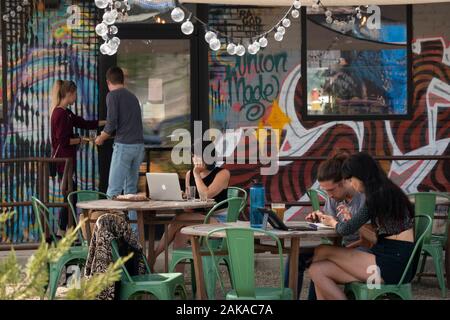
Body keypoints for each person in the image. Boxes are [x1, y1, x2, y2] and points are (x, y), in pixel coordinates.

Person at [309, 152, 415, 300]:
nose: (351, 184)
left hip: (391, 267)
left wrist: (332, 221)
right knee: (317, 270)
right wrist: (351, 221)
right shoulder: (387, 191)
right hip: (384, 259)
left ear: (361, 175)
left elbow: (345, 229)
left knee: (321, 250)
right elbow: (376, 237)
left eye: (351, 179)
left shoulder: (378, 195)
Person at [284, 151, 367, 299]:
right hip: (341, 247)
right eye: (325, 190)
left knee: (320, 258)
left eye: (331, 190)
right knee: (296, 256)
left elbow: (369, 239)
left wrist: (335, 249)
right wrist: (320, 219)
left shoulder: (363, 196)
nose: (329, 195)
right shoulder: (334, 197)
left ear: (345, 181)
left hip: (361, 250)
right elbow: (333, 226)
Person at [153, 140, 230, 270]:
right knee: (180, 233)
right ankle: (178, 282)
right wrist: (182, 197)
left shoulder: (222, 173)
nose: (193, 158)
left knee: (179, 219)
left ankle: (153, 256)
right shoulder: (189, 174)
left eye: (195, 155)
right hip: (198, 218)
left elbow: (205, 195)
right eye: (192, 155)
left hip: (219, 222)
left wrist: (196, 173)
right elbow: (189, 208)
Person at [50, 80, 105, 234]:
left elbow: (84, 123)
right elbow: (62, 140)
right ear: (69, 94)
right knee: (70, 196)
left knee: (69, 196)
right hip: (63, 162)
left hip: (68, 161)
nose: (76, 98)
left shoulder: (67, 113)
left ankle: (65, 232)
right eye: (75, 95)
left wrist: (106, 122)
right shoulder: (59, 113)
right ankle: (68, 232)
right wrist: (80, 140)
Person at [95, 67, 144, 227]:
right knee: (131, 192)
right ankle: (134, 234)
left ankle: (110, 234)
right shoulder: (133, 97)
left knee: (113, 192)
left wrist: (101, 138)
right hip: (138, 147)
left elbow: (111, 124)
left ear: (108, 82)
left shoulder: (112, 96)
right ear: (123, 80)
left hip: (124, 146)